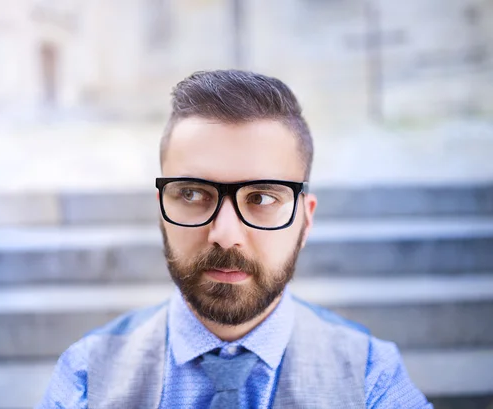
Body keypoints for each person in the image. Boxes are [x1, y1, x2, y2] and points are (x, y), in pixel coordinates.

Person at [36, 70, 432, 409]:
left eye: (261, 198)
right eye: (192, 194)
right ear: (161, 210)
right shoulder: (86, 376)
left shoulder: (372, 377)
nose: (225, 235)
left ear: (305, 221)